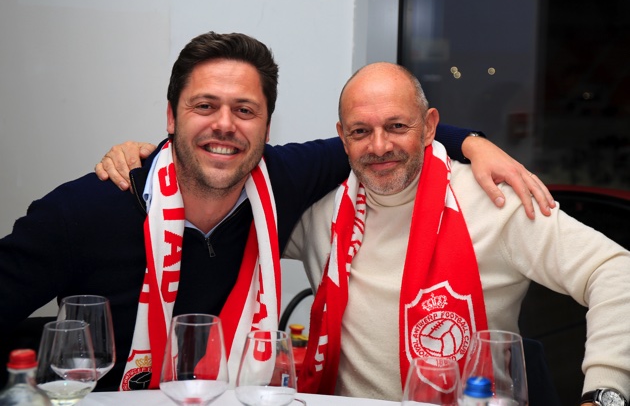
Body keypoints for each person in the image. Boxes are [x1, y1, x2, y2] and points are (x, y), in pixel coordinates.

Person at [0, 31, 550, 393]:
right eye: (204, 106)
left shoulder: (281, 178)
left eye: (245, 110)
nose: (225, 125)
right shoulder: (86, 209)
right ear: (170, 117)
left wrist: (474, 143)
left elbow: (383, 139)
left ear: (267, 126)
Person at [282, 62, 630, 404]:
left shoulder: (494, 202)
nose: (380, 146)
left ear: (429, 127)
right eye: (360, 132)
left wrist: (605, 392)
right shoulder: (321, 215)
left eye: (397, 126)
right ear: (343, 138)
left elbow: (615, 270)